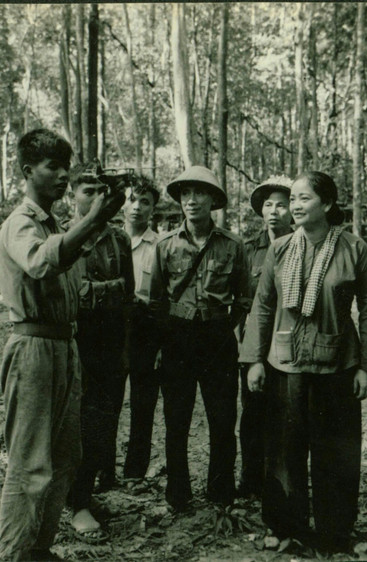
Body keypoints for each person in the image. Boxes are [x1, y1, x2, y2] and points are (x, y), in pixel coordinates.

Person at [239, 171, 367, 552]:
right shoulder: (281, 249)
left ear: (328, 204)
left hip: (337, 365)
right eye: (294, 200)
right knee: (284, 451)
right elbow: (263, 306)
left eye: (304, 199)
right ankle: (286, 527)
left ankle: (335, 532)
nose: (296, 206)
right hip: (285, 365)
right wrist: (254, 360)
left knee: (335, 451)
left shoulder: (354, 249)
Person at [0, 130, 123, 561]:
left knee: (64, 460)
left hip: (64, 347)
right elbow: (40, 261)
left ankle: (38, 549)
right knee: (30, 464)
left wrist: (97, 220)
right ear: (28, 171)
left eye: (66, 166)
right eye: (53, 165)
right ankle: (13, 554)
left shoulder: (54, 225)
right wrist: (93, 220)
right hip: (32, 348)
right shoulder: (20, 223)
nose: (63, 174)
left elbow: (67, 259)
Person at [149, 165, 251, 511]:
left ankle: (220, 493)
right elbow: (156, 301)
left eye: (200, 193)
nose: (191, 201)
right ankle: (178, 494)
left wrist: (223, 328)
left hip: (218, 339)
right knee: (176, 422)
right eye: (185, 194)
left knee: (223, 422)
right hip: (177, 339)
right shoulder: (164, 246)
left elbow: (244, 299)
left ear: (213, 200)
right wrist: (164, 343)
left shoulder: (234, 246)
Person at [65, 161, 134, 542]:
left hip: (108, 344)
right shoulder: (63, 236)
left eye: (100, 191)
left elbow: (128, 300)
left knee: (101, 425)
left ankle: (83, 496)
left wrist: (125, 351)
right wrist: (103, 290)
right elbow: (68, 294)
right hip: (72, 341)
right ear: (72, 194)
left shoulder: (119, 239)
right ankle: (73, 501)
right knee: (71, 423)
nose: (94, 198)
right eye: (86, 191)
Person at [236, 175, 293, 499]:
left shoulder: (301, 246)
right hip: (255, 343)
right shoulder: (246, 250)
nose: (274, 212)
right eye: (268, 205)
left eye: (281, 205)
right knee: (252, 413)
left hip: (288, 343)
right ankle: (250, 480)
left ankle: (282, 482)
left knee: (286, 414)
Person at [122, 175, 163, 481]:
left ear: (153, 209)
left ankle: (135, 470)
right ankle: (101, 469)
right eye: (131, 199)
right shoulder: (109, 240)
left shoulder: (160, 246)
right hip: (111, 327)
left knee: (143, 400)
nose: (136, 207)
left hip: (146, 327)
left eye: (144, 202)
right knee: (106, 401)